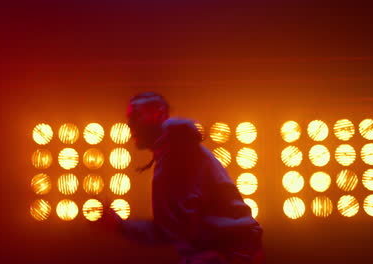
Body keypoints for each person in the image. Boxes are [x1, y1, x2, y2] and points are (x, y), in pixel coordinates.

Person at [100, 92, 263, 264]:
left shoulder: (177, 154)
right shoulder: (176, 150)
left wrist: (121, 226)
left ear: (159, 114)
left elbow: (173, 229)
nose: (130, 124)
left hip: (225, 254)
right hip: (228, 252)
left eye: (136, 116)